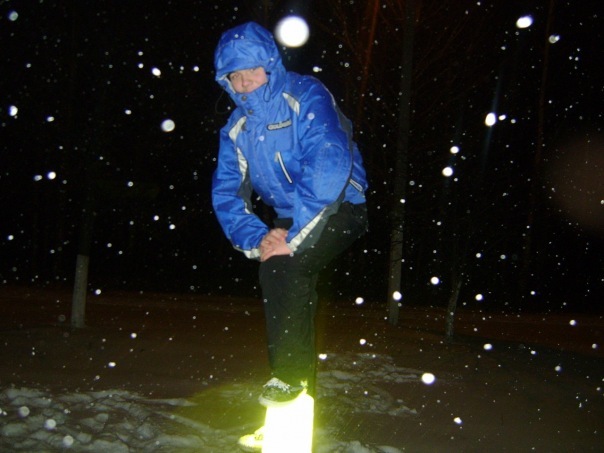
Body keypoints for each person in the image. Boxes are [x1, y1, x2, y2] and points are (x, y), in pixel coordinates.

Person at [212, 21, 368, 407]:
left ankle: (290, 379)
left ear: (270, 64)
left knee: (287, 267)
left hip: (340, 202)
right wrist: (258, 238)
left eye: (252, 70)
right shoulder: (236, 129)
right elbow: (227, 193)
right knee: (278, 271)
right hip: (292, 213)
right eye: (235, 76)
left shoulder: (305, 94)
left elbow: (328, 160)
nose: (245, 83)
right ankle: (298, 392)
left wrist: (295, 236)